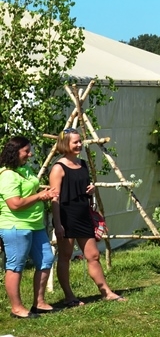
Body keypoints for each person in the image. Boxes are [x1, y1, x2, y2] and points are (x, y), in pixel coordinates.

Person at [49, 129, 121, 305]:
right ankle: (69, 296)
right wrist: (58, 224)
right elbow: (54, 197)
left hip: (83, 214)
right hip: (66, 216)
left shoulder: (82, 163)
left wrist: (91, 190)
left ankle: (106, 292)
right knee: (65, 256)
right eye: (75, 142)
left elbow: (83, 187)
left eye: (80, 141)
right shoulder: (58, 168)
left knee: (93, 255)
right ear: (65, 144)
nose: (79, 144)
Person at [0, 136, 58, 318]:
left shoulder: (24, 169)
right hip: (16, 226)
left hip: (35, 224)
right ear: (14, 152)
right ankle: (16, 308)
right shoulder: (8, 175)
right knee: (16, 265)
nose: (30, 154)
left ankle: (39, 302)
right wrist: (40, 197)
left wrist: (45, 194)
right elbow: (15, 204)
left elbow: (30, 190)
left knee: (46, 259)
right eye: (26, 151)